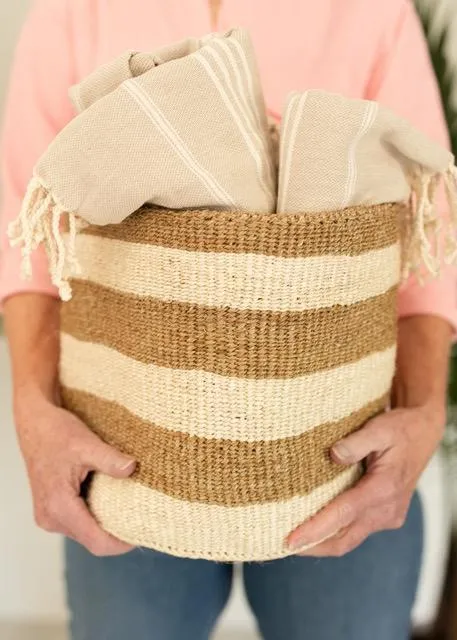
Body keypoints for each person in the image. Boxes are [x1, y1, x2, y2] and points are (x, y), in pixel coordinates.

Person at [1, 1, 456, 638]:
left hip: (342, 462)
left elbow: (430, 238)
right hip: (124, 450)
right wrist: (33, 412)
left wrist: (425, 414)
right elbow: (25, 228)